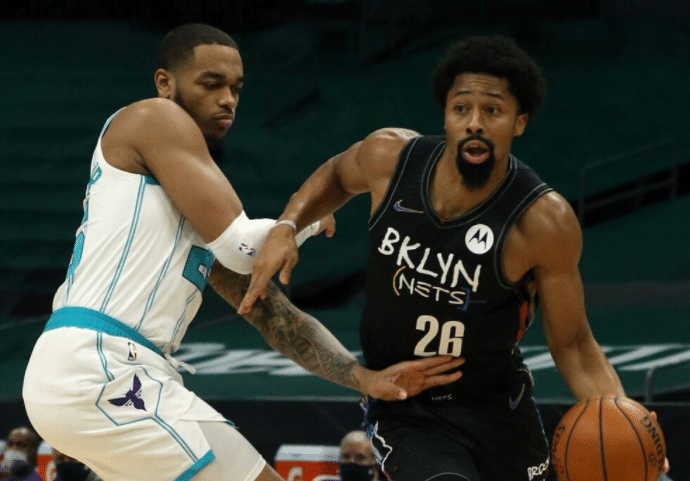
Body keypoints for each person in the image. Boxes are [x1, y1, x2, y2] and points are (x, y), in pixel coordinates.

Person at [21, 23, 465, 481]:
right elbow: (243, 247)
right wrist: (310, 215)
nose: (227, 99)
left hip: (96, 373)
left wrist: (362, 377)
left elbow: (274, 317)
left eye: (236, 88)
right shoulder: (154, 116)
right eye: (211, 84)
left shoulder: (184, 208)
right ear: (165, 83)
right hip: (102, 364)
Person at [238, 35, 670, 480]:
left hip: (498, 407)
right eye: (461, 108)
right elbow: (337, 174)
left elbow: (574, 345)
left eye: (493, 111)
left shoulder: (542, 221)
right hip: (406, 405)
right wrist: (287, 225)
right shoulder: (390, 158)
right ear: (445, 114)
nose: (474, 123)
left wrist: (627, 423)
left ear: (519, 122)